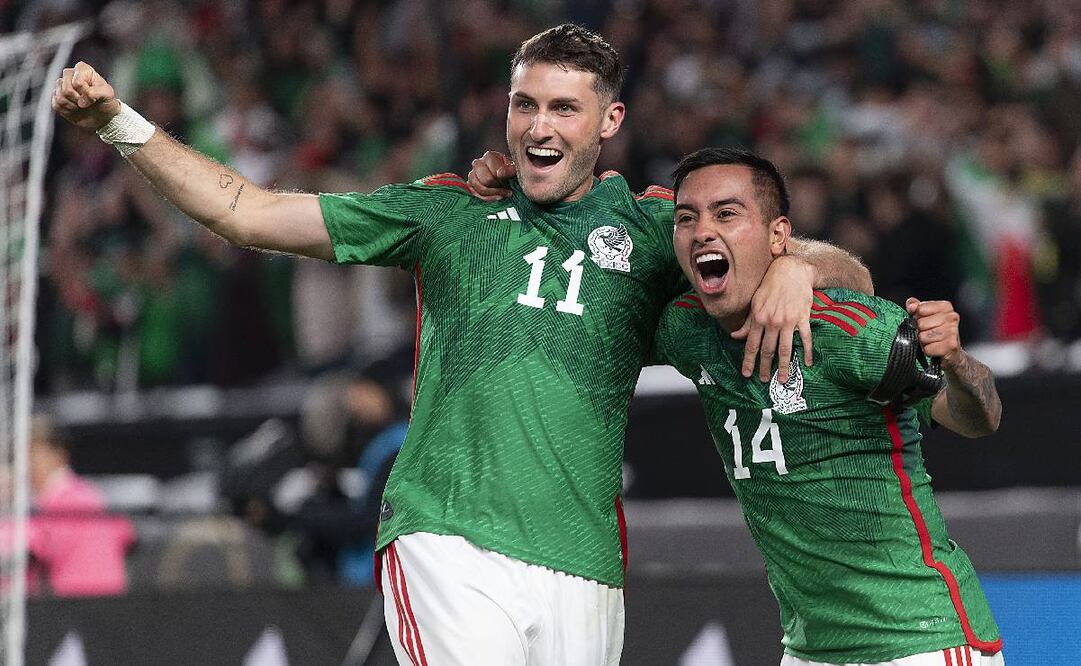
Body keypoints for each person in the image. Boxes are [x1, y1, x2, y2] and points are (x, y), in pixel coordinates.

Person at [53, 25, 870, 665]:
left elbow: (852, 287)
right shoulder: (446, 212)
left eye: (562, 109)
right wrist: (119, 124)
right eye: (524, 105)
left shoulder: (656, 229)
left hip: (582, 564)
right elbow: (248, 212)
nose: (537, 126)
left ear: (609, 121)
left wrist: (797, 269)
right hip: (448, 538)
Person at [650, 147, 1003, 665]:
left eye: (726, 214)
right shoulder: (686, 328)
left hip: (920, 638)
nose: (703, 230)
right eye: (687, 218)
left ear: (778, 236)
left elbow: (980, 417)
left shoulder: (849, 331)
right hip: (809, 649)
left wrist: (954, 359)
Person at [27, 415, 135, 597]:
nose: (26, 463)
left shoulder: (59, 502)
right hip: (111, 602)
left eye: (33, 453)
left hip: (76, 606)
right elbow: (126, 532)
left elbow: (32, 547)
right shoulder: (90, 494)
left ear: (58, 455)